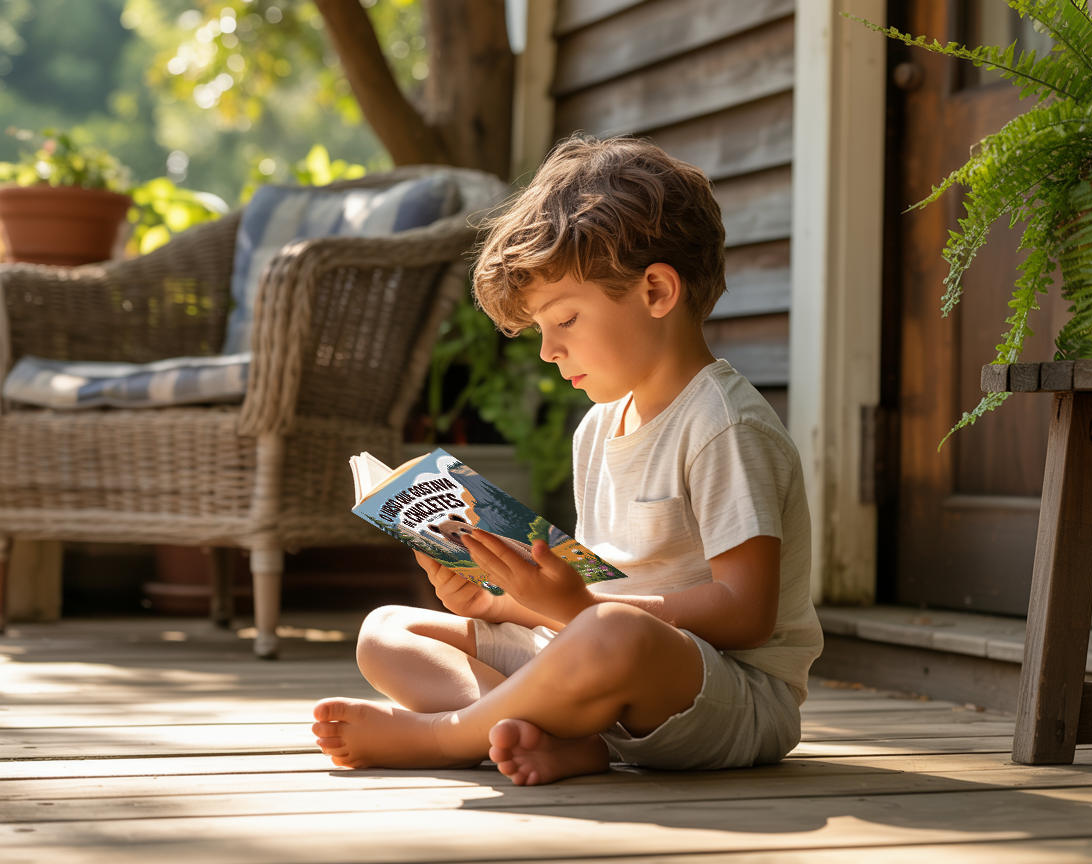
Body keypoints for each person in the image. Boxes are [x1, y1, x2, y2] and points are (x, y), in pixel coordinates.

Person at [312, 135, 823, 786]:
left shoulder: (723, 426)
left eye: (566, 319)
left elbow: (745, 615)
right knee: (386, 630)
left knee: (615, 635)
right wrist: (503, 602)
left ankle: (444, 736)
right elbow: (594, 600)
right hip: (597, 657)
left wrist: (582, 611)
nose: (549, 350)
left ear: (657, 291)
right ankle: (565, 741)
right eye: (540, 331)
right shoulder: (597, 428)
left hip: (725, 693)